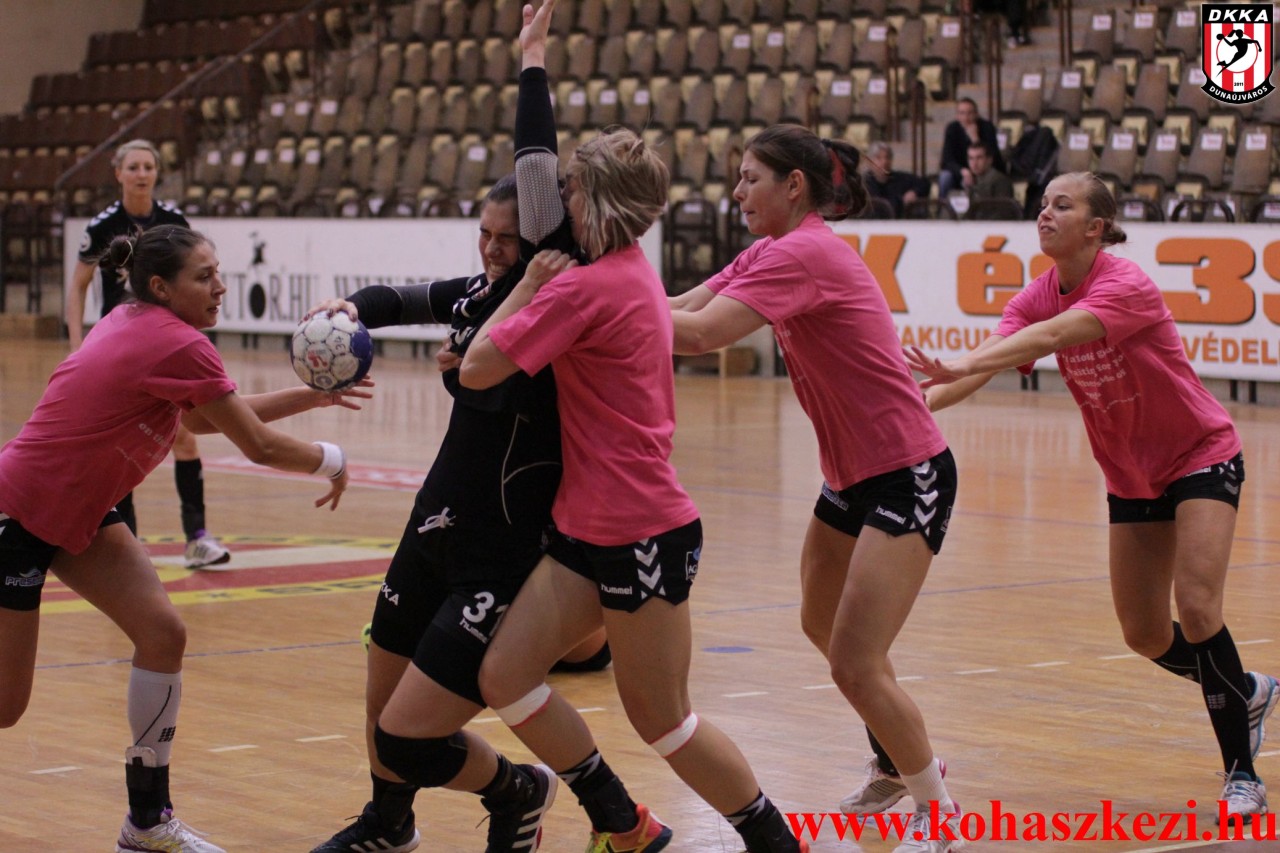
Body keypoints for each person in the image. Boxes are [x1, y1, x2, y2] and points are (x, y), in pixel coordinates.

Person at [457, 3, 807, 852]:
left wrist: (526, 287)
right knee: (505, 674)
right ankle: (618, 815)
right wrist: (533, 62)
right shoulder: (627, 266)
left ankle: (772, 839)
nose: (562, 198)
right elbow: (539, 177)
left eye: (575, 189)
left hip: (641, 527)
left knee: (665, 720)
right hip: (587, 526)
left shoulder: (582, 288)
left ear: (599, 200)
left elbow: (476, 369)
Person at [906, 172, 1280, 822]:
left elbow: (1051, 337)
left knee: (1197, 608)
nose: (1044, 213)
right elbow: (994, 357)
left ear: (1096, 227)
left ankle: (1242, 775)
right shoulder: (1037, 293)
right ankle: (1245, 689)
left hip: (1200, 453)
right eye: (1042, 203)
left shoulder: (1124, 283)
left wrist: (964, 362)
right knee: (1143, 632)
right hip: (1131, 474)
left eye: (1062, 205)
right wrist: (915, 410)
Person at [0, 225, 367, 853]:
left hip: (77, 510)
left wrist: (313, 396)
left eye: (218, 271)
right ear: (162, 287)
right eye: (204, 276)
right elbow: (257, 445)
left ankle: (147, 822)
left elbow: (198, 417)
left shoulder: (137, 322)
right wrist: (331, 459)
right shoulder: (176, 342)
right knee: (7, 707)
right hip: (20, 513)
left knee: (162, 634)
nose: (220, 285)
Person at [667, 123, 963, 853]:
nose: (737, 192)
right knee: (820, 623)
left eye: (750, 179)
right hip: (850, 476)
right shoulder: (769, 249)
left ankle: (940, 812)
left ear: (793, 185)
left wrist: (588, 310)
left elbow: (698, 335)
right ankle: (895, 761)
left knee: (855, 660)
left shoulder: (802, 252)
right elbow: (683, 302)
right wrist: (597, 295)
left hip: (907, 471)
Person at [308, 174, 608, 853]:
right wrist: (350, 308)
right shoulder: (478, 295)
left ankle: (517, 790)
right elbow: (401, 299)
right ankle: (389, 823)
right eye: (484, 234)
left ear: (539, 242)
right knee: (381, 683)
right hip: (434, 517)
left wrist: (457, 368)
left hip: (501, 546)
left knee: (410, 734)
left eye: (508, 238)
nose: (492, 249)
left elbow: (495, 391)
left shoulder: (553, 311)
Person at [65, 139, 230, 570]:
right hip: (121, 349)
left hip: (166, 346)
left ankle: (197, 538)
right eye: (134, 167)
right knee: (122, 447)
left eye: (148, 167)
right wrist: (76, 345)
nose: (141, 174)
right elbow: (78, 286)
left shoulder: (173, 220)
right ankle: (129, 547)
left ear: (157, 173)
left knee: (186, 435)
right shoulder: (103, 225)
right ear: (118, 173)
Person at [937, 98, 1004, 198]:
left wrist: (975, 139)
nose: (966, 118)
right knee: (945, 177)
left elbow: (993, 158)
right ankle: (943, 207)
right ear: (957, 116)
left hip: (983, 169)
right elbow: (946, 160)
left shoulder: (987, 127)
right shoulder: (952, 128)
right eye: (962, 113)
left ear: (976, 114)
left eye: (970, 113)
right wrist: (963, 171)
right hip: (961, 171)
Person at [863, 141, 931, 218]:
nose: (884, 162)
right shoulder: (863, 182)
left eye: (887, 157)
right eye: (878, 158)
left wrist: (914, 192)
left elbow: (924, 183)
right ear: (870, 162)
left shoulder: (900, 178)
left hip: (899, 222)